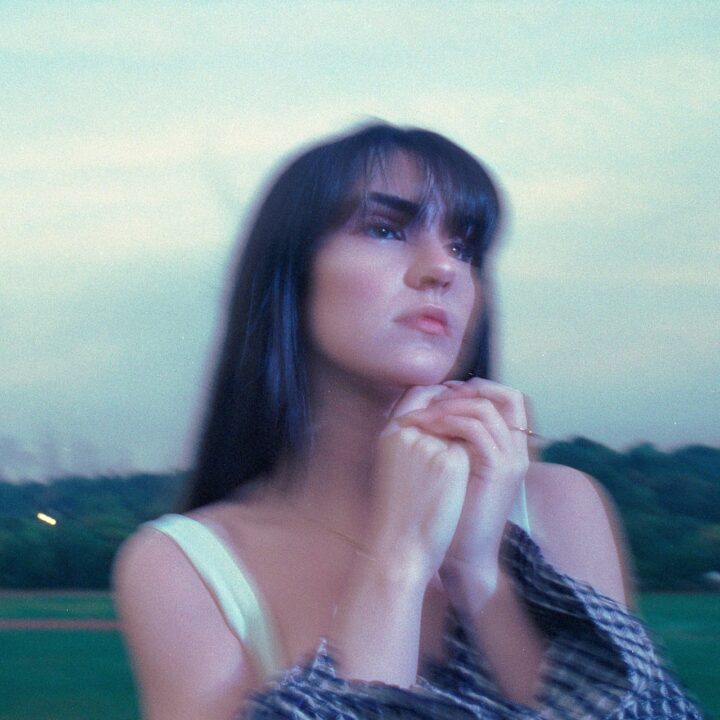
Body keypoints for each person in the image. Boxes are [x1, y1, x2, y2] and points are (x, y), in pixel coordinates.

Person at [113, 123, 703, 719]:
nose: (443, 268)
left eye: (464, 247)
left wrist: (480, 573)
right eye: (385, 229)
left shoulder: (559, 507)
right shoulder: (183, 566)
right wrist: (396, 561)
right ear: (290, 270)